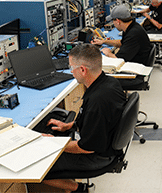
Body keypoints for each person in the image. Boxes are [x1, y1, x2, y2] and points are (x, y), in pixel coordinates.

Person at [42, 44, 126, 192]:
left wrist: (54, 144)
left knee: (41, 168)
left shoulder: (97, 101)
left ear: (82, 69)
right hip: (106, 144)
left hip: (98, 157)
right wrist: (69, 125)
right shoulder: (108, 83)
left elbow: (86, 148)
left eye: (71, 68)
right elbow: (94, 119)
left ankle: (79, 189)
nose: (71, 73)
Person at [91, 5, 151, 90]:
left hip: (135, 73)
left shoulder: (133, 34)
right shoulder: (132, 27)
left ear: (118, 21)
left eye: (113, 21)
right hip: (137, 63)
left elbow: (118, 60)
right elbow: (123, 43)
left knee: (98, 79)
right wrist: (104, 41)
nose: (113, 24)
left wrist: (108, 53)